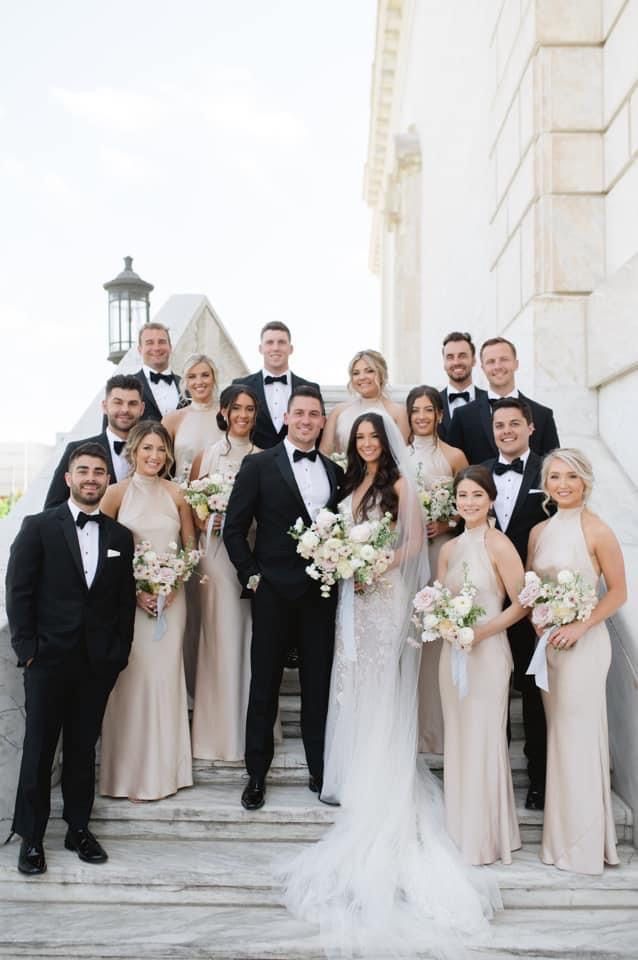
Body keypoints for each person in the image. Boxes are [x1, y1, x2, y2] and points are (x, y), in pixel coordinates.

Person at [281, 415, 500, 958]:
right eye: (360, 438)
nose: (367, 444)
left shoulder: (399, 485)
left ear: (386, 440)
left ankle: (380, 769)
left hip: (384, 596)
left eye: (374, 437)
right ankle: (352, 766)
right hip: (353, 597)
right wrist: (340, 557)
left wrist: (378, 561)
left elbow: (412, 545)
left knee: (377, 679)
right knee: (349, 678)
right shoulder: (348, 484)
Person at [5, 443, 136, 875]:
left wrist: (118, 655)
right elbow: (18, 591)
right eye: (83, 471)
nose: (92, 478)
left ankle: (78, 828)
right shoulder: (39, 526)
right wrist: (28, 652)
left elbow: (122, 602)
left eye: (99, 472)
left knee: (82, 749)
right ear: (68, 477)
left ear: (106, 479)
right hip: (47, 660)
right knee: (39, 749)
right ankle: (31, 838)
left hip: (97, 663)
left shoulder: (119, 537)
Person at [223, 386, 344, 810]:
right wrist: (252, 576)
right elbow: (233, 529)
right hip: (271, 591)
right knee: (264, 684)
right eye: (300, 413)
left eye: (315, 414)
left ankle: (319, 767)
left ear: (323, 421)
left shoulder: (334, 471)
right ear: (287, 418)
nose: (307, 420)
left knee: (319, 685)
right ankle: (255, 773)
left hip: (320, 595)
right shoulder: (258, 465)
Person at [527, 449, 626, 874]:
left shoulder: (598, 530)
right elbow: (532, 587)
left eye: (570, 476)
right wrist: (538, 619)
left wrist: (580, 627)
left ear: (585, 481)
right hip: (550, 645)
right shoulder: (537, 532)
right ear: (545, 484)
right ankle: (560, 841)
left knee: (580, 740)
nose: (562, 484)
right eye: (554, 477)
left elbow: (618, 593)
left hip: (584, 647)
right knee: (559, 739)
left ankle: (585, 848)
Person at [98, 422, 196, 801]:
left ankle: (165, 774)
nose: (154, 456)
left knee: (164, 680)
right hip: (130, 603)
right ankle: (127, 776)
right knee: (132, 682)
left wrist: (173, 583)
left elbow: (190, 547)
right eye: (147, 449)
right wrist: (135, 588)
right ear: (133, 451)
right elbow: (103, 550)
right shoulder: (115, 494)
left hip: (172, 602)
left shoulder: (177, 494)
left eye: (160, 450)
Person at [438, 466, 527, 865]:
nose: (469, 503)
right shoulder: (448, 549)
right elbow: (437, 598)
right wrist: (441, 623)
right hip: (451, 654)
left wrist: (482, 632)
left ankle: (489, 835)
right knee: (458, 736)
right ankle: (460, 827)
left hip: (488, 653)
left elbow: (522, 603)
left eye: (477, 495)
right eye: (463, 496)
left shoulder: (500, 544)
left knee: (485, 737)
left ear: (490, 499)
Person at [190, 384, 280, 760]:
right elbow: (192, 506)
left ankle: (254, 726)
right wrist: (211, 515)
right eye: (236, 408)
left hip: (253, 555)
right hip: (215, 554)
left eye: (249, 409)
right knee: (220, 638)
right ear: (224, 411)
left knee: (251, 639)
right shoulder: (204, 457)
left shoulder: (265, 458)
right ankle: (218, 732)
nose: (243, 415)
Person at [482, 398, 550, 810]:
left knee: (531, 691)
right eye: (499, 425)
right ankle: (495, 778)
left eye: (514, 424)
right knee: (492, 689)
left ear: (530, 428)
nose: (506, 431)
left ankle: (538, 778)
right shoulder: (481, 472)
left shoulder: (550, 472)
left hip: (533, 601)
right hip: (490, 601)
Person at [406, 385, 467, 755]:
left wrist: (446, 525)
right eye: (416, 410)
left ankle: (436, 730)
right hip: (406, 554)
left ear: (440, 415)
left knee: (436, 635)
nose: (422, 416)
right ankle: (408, 726)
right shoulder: (399, 454)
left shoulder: (455, 456)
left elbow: (472, 503)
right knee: (410, 633)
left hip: (440, 552)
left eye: (429, 410)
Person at [448, 337, 560, 464]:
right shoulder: (463, 416)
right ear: (483, 367)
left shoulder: (542, 415)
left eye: (504, 359)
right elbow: (454, 467)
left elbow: (553, 467)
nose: (498, 366)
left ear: (516, 364)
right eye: (491, 361)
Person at [45, 375, 145, 509]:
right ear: (105, 406)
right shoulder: (76, 449)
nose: (125, 409)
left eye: (132, 403)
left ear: (142, 409)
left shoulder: (153, 453)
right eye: (118, 402)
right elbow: (53, 506)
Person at [232, 321, 321, 451]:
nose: (275, 348)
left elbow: (318, 430)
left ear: (291, 349)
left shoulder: (311, 388)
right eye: (269, 342)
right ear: (260, 349)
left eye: (281, 342)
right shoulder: (240, 385)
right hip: (252, 462)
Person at [320, 349, 410, 456]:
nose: (362, 377)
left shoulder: (399, 412)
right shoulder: (338, 411)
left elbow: (402, 457)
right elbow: (324, 453)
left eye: (369, 371)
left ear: (381, 374)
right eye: (356, 373)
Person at [162, 353, 223, 483]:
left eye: (205, 375)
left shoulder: (227, 414)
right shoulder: (172, 420)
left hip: (223, 496)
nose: (199, 382)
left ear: (214, 378)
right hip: (182, 496)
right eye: (192, 377)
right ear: (185, 382)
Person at [438, 331, 487, 441]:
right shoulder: (433, 403)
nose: (456, 362)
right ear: (444, 363)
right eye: (450, 357)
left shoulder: (489, 400)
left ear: (474, 360)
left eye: (462, 356)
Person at [132, 322, 184, 422]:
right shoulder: (126, 384)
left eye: (162, 342)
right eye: (149, 343)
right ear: (139, 349)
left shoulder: (186, 384)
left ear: (170, 347)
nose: (156, 348)